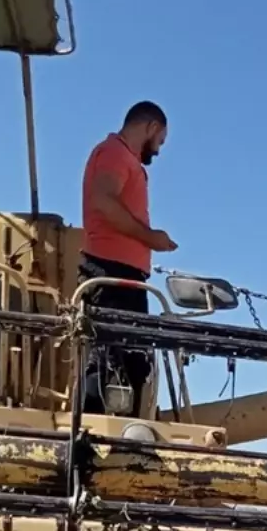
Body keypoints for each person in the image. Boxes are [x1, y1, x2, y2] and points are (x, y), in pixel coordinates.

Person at [80, 100, 177, 415]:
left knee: (131, 359)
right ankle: (94, 433)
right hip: (110, 273)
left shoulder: (124, 158)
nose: (158, 150)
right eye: (160, 140)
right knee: (107, 357)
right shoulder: (114, 153)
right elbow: (103, 201)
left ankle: (123, 428)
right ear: (150, 127)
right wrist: (152, 239)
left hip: (126, 276)